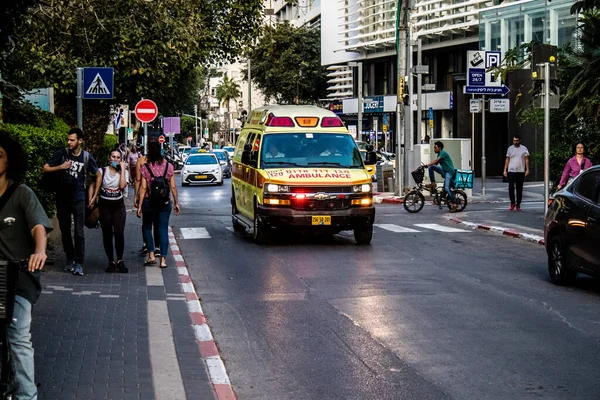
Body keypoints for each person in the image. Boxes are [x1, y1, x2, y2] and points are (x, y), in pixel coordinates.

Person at [0, 131, 52, 399]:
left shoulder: (21, 193)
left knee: (18, 336)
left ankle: (27, 395)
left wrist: (40, 251)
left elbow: (38, 227)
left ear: (9, 161)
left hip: (19, 274)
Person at [42, 128, 100, 276]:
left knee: (79, 232)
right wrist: (61, 167)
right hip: (62, 197)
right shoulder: (62, 154)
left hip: (78, 197)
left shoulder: (86, 157)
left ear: (80, 141)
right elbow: (45, 168)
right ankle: (69, 259)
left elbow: (98, 174)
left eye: (72, 140)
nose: (69, 142)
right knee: (65, 230)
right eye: (68, 139)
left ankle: (79, 263)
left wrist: (93, 196)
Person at [137, 142, 181, 268]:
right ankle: (163, 260)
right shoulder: (169, 166)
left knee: (146, 227)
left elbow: (143, 188)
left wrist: (139, 205)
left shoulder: (145, 168)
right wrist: (176, 202)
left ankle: (151, 254)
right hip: (165, 203)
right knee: (163, 230)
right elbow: (173, 186)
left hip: (149, 202)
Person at [90, 150, 129, 273]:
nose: (115, 159)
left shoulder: (124, 172)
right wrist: (91, 199)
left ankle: (120, 260)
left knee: (119, 233)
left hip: (118, 206)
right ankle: (111, 261)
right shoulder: (102, 171)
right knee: (107, 234)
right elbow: (93, 185)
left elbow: (122, 186)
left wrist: (122, 170)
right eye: (113, 156)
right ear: (109, 158)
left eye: (118, 157)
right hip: (104, 206)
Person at [425, 141, 458, 211]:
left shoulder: (443, 153)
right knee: (431, 167)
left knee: (446, 188)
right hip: (444, 171)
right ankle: (433, 183)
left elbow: (436, 160)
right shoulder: (439, 154)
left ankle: (454, 203)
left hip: (449, 172)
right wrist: (427, 166)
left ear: (439, 148)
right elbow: (435, 164)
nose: (434, 149)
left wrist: (427, 164)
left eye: (435, 148)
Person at [503, 135, 530, 211]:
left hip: (520, 171)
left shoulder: (524, 149)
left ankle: (518, 204)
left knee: (519, 188)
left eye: (517, 140)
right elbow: (507, 159)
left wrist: (527, 169)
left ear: (519, 140)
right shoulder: (510, 149)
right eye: (514, 140)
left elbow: (526, 159)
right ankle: (512, 203)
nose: (515, 142)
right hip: (511, 170)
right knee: (511, 187)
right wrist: (505, 170)